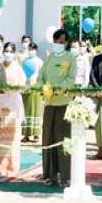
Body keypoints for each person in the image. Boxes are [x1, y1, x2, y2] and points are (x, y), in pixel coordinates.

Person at [38, 29, 77, 187]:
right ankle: (50, 175)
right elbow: (40, 76)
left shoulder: (71, 58)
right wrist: (43, 87)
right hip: (49, 104)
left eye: (61, 42)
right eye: (56, 41)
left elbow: (71, 78)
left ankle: (66, 176)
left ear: (66, 43)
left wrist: (58, 89)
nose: (58, 44)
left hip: (64, 104)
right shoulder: (49, 58)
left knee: (64, 141)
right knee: (48, 139)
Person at [0, 42, 25, 177]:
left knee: (12, 137)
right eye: (6, 51)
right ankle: (0, 166)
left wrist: (11, 89)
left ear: (14, 53)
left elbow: (22, 85)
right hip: (1, 104)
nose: (7, 54)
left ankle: (12, 167)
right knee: (1, 137)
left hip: (13, 105)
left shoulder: (17, 68)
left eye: (10, 51)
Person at [21, 42, 44, 142]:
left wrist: (35, 78)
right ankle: (26, 134)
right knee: (26, 111)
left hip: (36, 89)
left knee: (36, 110)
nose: (31, 51)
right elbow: (22, 73)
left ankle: (36, 134)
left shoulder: (39, 62)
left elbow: (42, 75)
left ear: (36, 50)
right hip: (26, 88)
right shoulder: (24, 61)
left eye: (33, 49)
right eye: (30, 49)